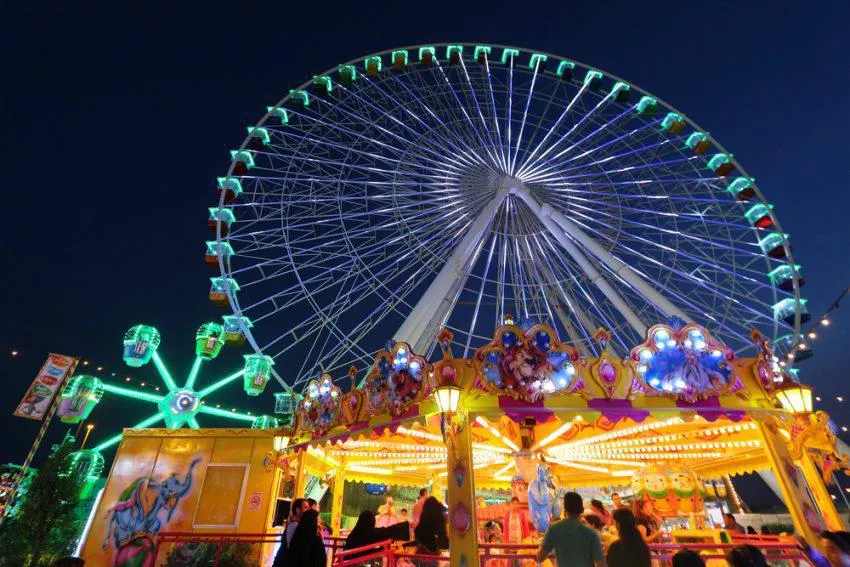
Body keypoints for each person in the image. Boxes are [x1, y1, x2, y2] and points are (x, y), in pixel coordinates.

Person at [537, 492, 606, 567]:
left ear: (565, 509)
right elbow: (601, 564)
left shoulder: (554, 528)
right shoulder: (591, 534)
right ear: (582, 510)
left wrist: (543, 544)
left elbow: (540, 557)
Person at [344, 510, 412, 558]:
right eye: (372, 520)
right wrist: (407, 526)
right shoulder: (369, 534)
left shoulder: (355, 533)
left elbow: (364, 551)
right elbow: (387, 532)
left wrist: (379, 550)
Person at [272, 498, 309, 567]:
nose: (308, 511)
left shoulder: (296, 524)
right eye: (306, 508)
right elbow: (292, 548)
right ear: (298, 510)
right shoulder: (294, 525)